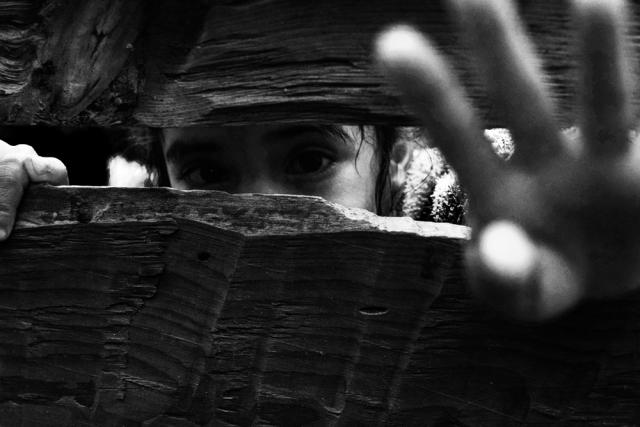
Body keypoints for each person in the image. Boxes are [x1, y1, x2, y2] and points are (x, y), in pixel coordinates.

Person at [0, 0, 638, 321]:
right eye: (206, 173)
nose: (261, 211)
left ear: (393, 164)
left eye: (309, 159)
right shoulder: (135, 227)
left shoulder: (458, 195)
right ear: (163, 176)